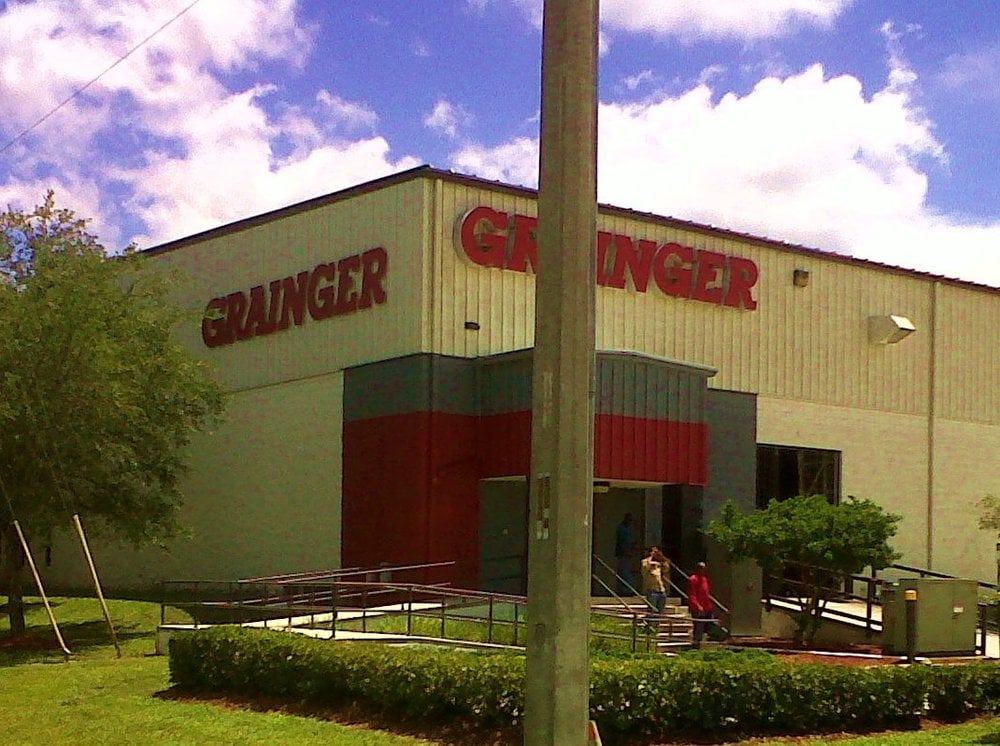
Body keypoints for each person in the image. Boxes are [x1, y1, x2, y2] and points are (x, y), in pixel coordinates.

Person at [688, 561, 715, 647]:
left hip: (706, 606)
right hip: (697, 608)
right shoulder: (693, 579)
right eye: (701, 568)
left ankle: (702, 642)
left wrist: (709, 606)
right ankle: (695, 644)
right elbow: (692, 594)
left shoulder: (704, 579)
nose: (703, 570)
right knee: (698, 626)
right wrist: (698, 606)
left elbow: (706, 594)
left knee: (709, 624)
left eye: (703, 569)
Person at [640, 546, 669, 614]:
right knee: (652, 610)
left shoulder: (659, 564)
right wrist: (651, 557)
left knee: (661, 610)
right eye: (654, 551)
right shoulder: (645, 561)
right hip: (652, 590)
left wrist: (662, 558)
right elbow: (645, 567)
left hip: (661, 590)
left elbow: (666, 569)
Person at [614, 512, 637, 593]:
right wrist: (626, 551)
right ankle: (623, 590)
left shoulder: (630, 529)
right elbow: (621, 542)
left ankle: (629, 589)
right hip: (623, 554)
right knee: (623, 572)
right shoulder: (622, 528)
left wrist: (633, 551)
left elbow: (633, 541)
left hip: (629, 554)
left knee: (629, 572)